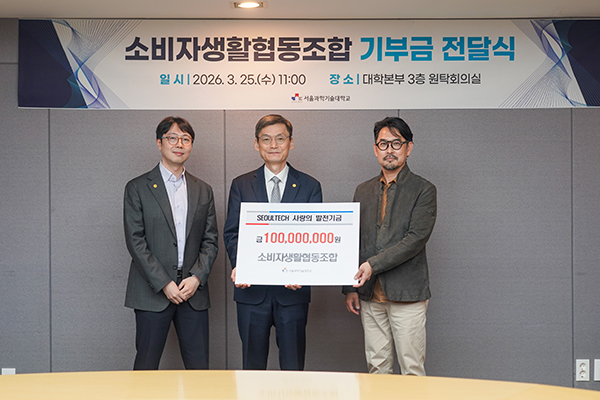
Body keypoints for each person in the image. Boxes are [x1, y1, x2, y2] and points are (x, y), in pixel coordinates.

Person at [223, 114, 322, 370]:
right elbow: (232, 232)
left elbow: (314, 237)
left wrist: (303, 270)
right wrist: (241, 265)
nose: (273, 145)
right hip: (251, 291)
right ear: (257, 144)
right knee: (252, 367)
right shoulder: (241, 184)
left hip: (293, 292)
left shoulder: (310, 186)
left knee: (293, 366)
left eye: (280, 138)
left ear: (291, 142)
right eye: (266, 139)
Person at [123, 116, 218, 370]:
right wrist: (164, 283)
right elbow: (135, 241)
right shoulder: (137, 188)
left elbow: (211, 240)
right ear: (159, 143)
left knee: (199, 370)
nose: (179, 144)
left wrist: (196, 278)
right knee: (146, 368)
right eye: (172, 138)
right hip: (152, 292)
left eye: (186, 139)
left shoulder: (203, 189)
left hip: (192, 292)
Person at [343, 117, 436, 375]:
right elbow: (354, 240)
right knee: (377, 368)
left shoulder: (423, 190)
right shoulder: (362, 190)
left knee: (411, 369)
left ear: (409, 147)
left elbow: (415, 239)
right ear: (375, 149)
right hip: (370, 295)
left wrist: (372, 265)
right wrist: (350, 287)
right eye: (383, 144)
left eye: (397, 143)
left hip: (407, 294)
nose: (390, 150)